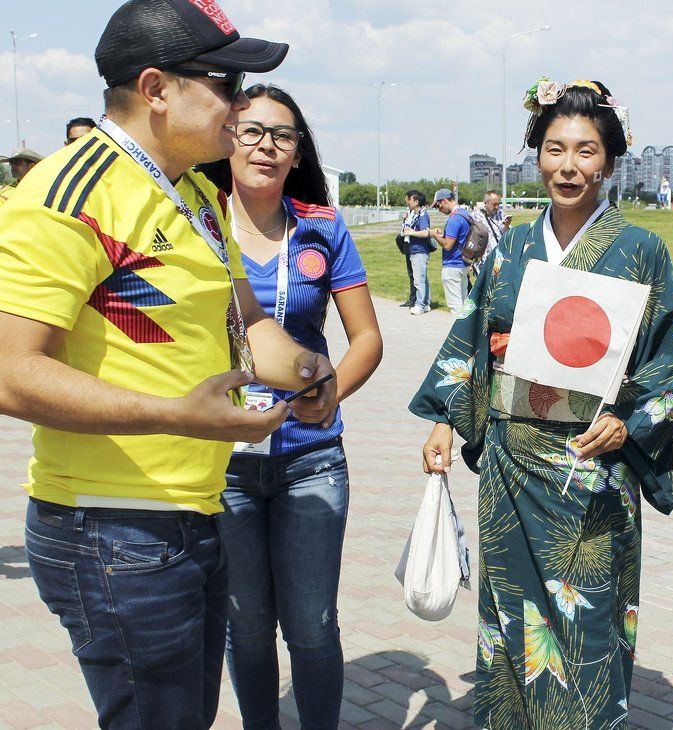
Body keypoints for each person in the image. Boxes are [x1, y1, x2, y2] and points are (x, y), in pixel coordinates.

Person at [0, 1, 340, 727]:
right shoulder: (71, 194)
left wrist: (312, 371)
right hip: (112, 530)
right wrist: (176, 416)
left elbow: (247, 322)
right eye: (225, 81)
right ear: (156, 89)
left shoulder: (192, 192)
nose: (241, 102)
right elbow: (11, 372)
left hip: (189, 516)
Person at [410, 78, 673, 728]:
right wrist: (444, 423)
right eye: (556, 148)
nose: (569, 165)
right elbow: (475, 336)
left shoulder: (640, 251)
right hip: (513, 466)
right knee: (511, 629)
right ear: (536, 154)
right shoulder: (510, 248)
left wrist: (631, 422)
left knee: (588, 628)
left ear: (611, 160)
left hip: (595, 470)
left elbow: (671, 358)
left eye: (587, 150)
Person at [200, 83, 383, 730]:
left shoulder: (323, 228)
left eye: (282, 134)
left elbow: (366, 339)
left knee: (311, 625)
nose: (266, 146)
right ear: (224, 139)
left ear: (298, 150)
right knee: (245, 627)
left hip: (311, 458)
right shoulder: (196, 222)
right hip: (221, 464)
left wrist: (330, 392)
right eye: (250, 131)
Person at [429, 188, 471, 315]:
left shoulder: (454, 219)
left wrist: (434, 235)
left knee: (455, 306)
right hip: (464, 263)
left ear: (445, 201)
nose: (439, 209)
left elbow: (447, 245)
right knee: (464, 303)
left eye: (438, 205)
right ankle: (466, 333)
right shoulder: (465, 214)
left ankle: (457, 334)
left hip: (452, 266)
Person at [401, 189, 433, 314]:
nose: (407, 202)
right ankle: (426, 303)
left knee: (419, 279)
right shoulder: (413, 214)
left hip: (420, 251)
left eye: (409, 199)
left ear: (416, 201)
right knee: (422, 278)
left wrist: (412, 232)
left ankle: (420, 305)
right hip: (414, 249)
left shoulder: (423, 215)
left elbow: (426, 232)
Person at [471, 189, 510, 277]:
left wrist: (507, 226)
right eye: (494, 204)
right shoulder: (475, 217)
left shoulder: (501, 214)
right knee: (484, 288)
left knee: (497, 285)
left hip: (499, 259)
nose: (496, 207)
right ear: (486, 203)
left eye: (498, 204)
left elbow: (507, 236)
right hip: (482, 261)